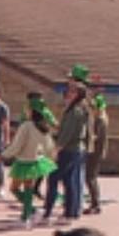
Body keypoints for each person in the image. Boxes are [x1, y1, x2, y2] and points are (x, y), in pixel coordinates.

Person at [40, 68, 92, 221]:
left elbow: (68, 132)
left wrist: (57, 148)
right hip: (76, 149)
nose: (68, 94)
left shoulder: (75, 110)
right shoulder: (81, 109)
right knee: (70, 181)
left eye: (72, 91)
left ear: (77, 94)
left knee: (55, 178)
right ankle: (71, 211)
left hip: (69, 149)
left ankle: (49, 210)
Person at [5, 96, 57, 225]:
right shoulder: (42, 127)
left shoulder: (26, 126)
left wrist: (4, 154)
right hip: (35, 160)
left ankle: (28, 214)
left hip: (23, 161)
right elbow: (48, 145)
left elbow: (17, 144)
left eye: (27, 108)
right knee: (28, 188)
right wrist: (50, 157)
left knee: (15, 188)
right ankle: (28, 213)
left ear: (31, 110)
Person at [85, 92, 111, 212]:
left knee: (90, 177)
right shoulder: (101, 119)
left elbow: (95, 137)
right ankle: (94, 202)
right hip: (97, 151)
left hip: (95, 151)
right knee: (91, 176)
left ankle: (95, 203)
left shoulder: (100, 121)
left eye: (93, 107)